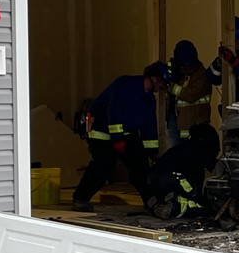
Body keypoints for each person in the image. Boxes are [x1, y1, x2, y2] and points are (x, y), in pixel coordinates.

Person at [72, 62, 170, 211]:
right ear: (153, 77)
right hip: (101, 130)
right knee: (103, 165)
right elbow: (114, 111)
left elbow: (149, 124)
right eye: (161, 82)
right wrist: (117, 139)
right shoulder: (127, 85)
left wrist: (152, 151)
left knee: (140, 166)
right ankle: (80, 198)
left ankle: (151, 201)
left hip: (125, 133)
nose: (161, 86)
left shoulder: (149, 99)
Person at [147, 123, 222, 220]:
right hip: (172, 179)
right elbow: (217, 170)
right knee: (203, 205)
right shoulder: (201, 150)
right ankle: (176, 206)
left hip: (154, 180)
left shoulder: (183, 147)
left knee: (188, 180)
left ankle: (158, 202)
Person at [167, 40, 212, 146]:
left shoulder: (201, 74)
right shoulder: (176, 70)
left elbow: (191, 95)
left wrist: (172, 87)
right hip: (176, 122)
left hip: (195, 126)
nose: (187, 68)